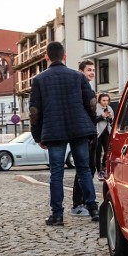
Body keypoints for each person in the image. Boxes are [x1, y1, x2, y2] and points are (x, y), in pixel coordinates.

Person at [29, 42, 99, 226]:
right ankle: (94, 209)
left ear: (47, 57)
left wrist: (38, 136)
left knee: (56, 174)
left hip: (54, 131)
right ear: (65, 57)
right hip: (79, 129)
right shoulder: (77, 76)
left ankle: (57, 215)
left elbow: (35, 111)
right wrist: (91, 128)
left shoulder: (39, 80)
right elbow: (91, 103)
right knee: (84, 169)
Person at [71, 60, 97, 217]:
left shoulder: (88, 88)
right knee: (83, 168)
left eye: (93, 70)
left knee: (89, 167)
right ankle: (78, 203)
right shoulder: (79, 88)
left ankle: (87, 201)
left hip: (90, 132)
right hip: (83, 132)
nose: (92, 72)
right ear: (81, 71)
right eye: (89, 70)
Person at [95, 93, 114, 180]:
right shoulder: (95, 107)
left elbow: (111, 122)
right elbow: (93, 120)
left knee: (107, 151)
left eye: (107, 100)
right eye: (103, 100)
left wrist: (109, 118)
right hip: (98, 132)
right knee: (97, 153)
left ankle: (104, 167)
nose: (105, 102)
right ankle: (99, 171)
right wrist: (102, 116)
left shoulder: (109, 108)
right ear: (99, 100)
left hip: (106, 132)